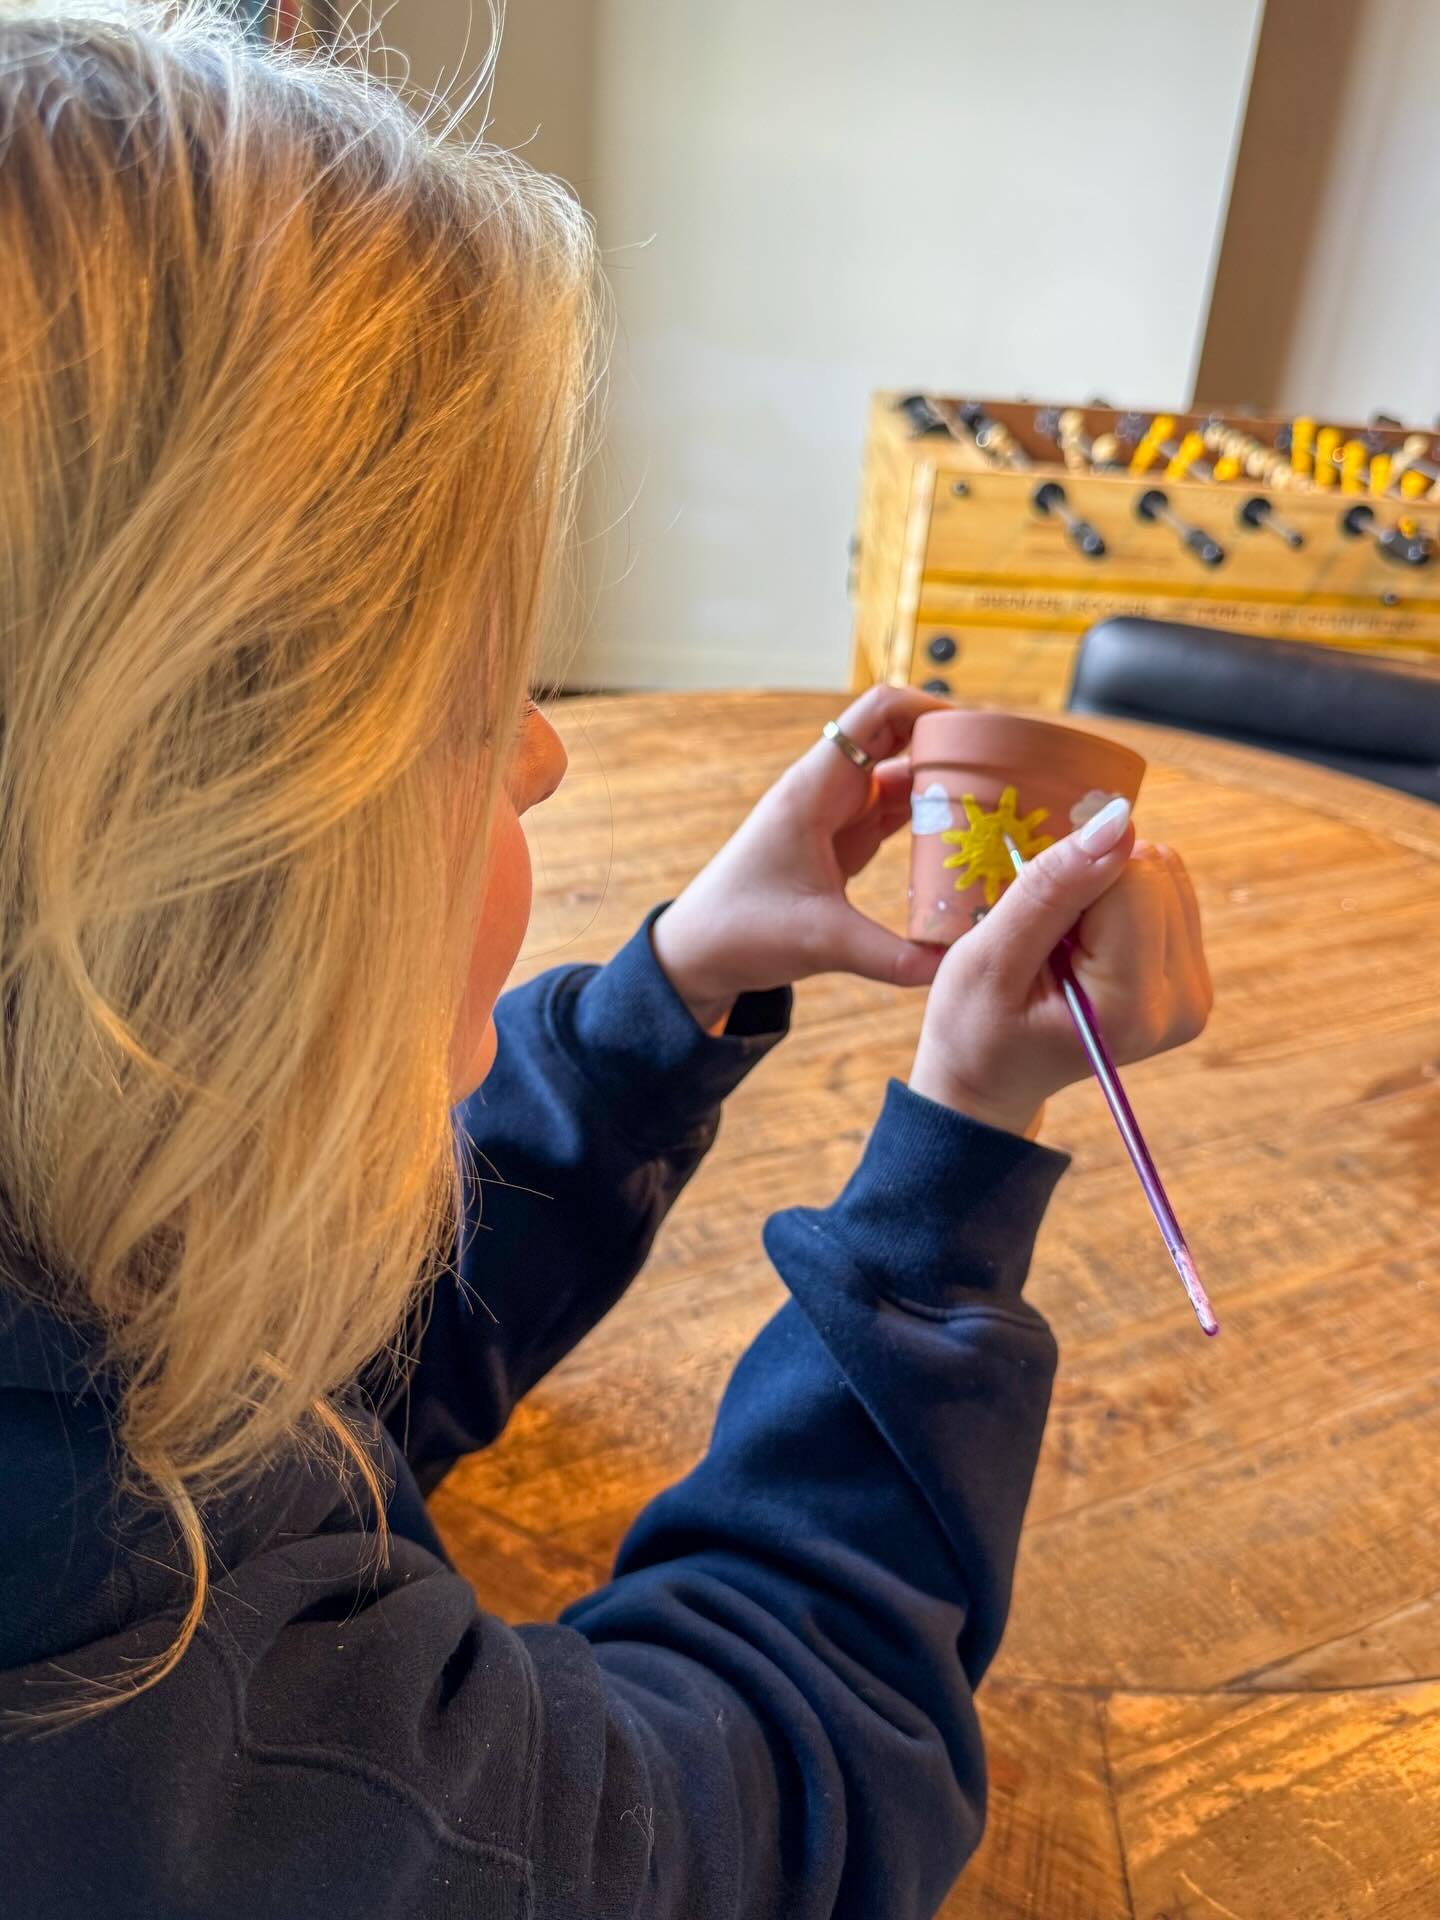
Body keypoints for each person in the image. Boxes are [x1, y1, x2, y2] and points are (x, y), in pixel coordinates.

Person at [0, 6, 1212, 1916]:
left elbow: (306, 1370)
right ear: (184, 876)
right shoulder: (182, 1719)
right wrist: (953, 1179)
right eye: (473, 712)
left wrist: (666, 1003)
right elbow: (765, 1804)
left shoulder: (74, 1302)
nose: (547, 750)